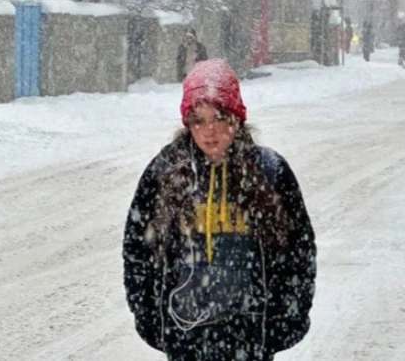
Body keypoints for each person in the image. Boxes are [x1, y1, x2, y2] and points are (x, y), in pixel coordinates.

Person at [123, 59, 317, 361]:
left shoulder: (269, 171)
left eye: (218, 117)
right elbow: (138, 248)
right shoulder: (165, 173)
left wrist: (288, 315)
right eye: (198, 120)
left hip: (249, 335)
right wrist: (148, 315)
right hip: (185, 335)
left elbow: (298, 250)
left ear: (236, 117)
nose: (209, 131)